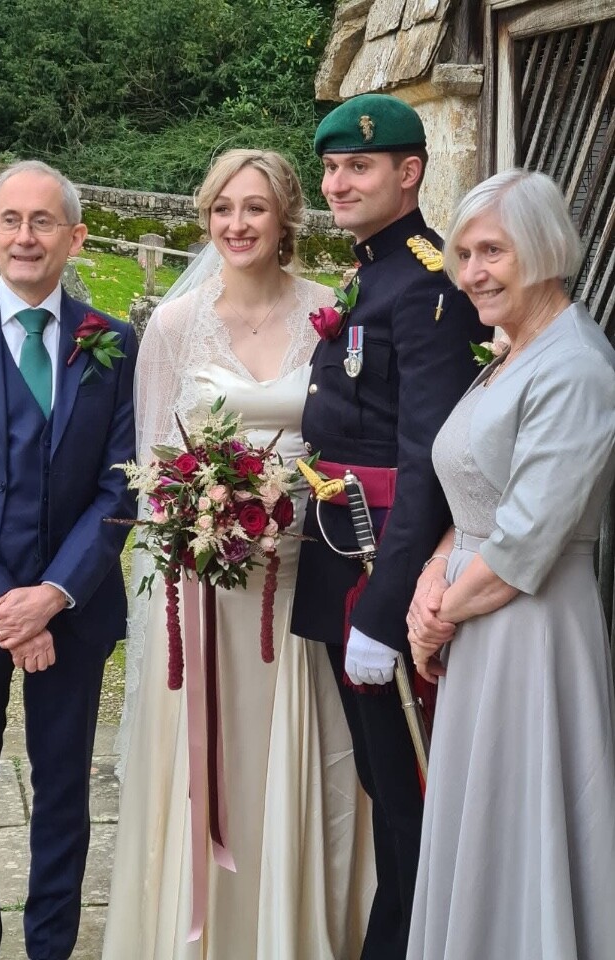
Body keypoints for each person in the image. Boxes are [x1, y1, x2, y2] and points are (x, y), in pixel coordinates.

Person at [102, 148, 375, 960]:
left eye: (254, 207)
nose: (237, 223)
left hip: (300, 580)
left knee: (299, 766)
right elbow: (151, 471)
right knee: (210, 767)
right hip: (208, 589)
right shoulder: (176, 328)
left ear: (285, 216)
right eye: (223, 208)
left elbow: (353, 440)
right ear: (206, 217)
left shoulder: (330, 312)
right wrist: (200, 521)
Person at [291, 94, 485, 960]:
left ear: (409, 173)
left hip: (384, 577)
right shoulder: (375, 270)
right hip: (345, 559)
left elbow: (429, 462)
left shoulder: (428, 281)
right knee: (383, 785)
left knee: (410, 794)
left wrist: (380, 611)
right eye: (331, 167)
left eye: (357, 166)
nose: (337, 182)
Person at [406, 168, 615, 960]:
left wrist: (435, 617)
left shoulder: (576, 366)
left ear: (544, 249)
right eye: (463, 254)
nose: (471, 273)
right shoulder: (512, 353)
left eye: (491, 251)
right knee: (481, 819)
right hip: (477, 614)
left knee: (523, 820)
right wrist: (432, 575)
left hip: (531, 629)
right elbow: (472, 496)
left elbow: (526, 539)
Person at [0, 159, 137, 960]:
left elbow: (122, 482)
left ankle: (53, 946)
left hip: (76, 608)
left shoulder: (114, 344)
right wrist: (4, 602)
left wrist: (54, 594)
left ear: (76, 237)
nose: (26, 236)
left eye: (44, 222)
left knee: (63, 790)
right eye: (12, 221)